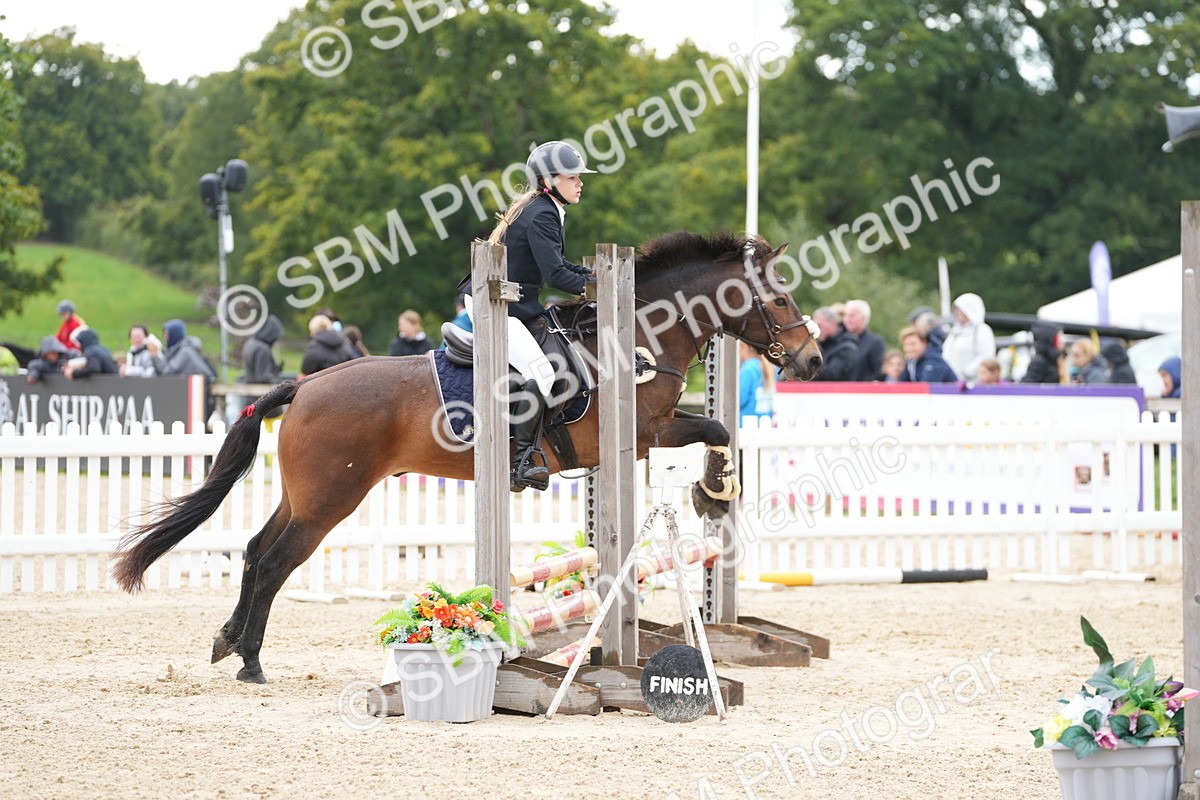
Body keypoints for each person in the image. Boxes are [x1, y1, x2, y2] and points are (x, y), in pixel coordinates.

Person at [461, 140, 596, 491]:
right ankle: (521, 461)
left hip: (509, 303)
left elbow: (563, 265)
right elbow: (557, 276)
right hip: (496, 307)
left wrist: (600, 277)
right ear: (551, 181)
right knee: (544, 372)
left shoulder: (543, 208)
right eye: (574, 177)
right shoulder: (543, 214)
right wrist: (602, 289)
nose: (581, 182)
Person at [941, 293, 996, 382]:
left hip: (972, 383)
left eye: (961, 310)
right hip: (951, 381)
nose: (957, 313)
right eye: (957, 309)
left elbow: (986, 356)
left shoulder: (982, 330)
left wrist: (966, 372)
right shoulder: (954, 331)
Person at [810, 306, 859, 382]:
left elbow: (832, 375)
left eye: (820, 326)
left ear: (832, 323)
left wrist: (808, 365)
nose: (817, 331)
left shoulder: (847, 348)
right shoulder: (820, 344)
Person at [842, 299, 886, 381]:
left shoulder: (875, 343)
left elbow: (880, 372)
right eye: (846, 315)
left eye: (851, 316)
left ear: (864, 318)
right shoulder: (840, 341)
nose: (847, 319)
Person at [738, 341, 775, 426]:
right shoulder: (766, 367)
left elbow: (739, 400)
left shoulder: (748, 370)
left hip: (746, 425)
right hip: (765, 424)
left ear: (745, 348)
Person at [241, 314, 285, 384]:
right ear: (271, 334)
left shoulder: (251, 342)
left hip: (249, 385)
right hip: (257, 390)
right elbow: (263, 376)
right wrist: (280, 383)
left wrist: (275, 369)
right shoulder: (262, 349)